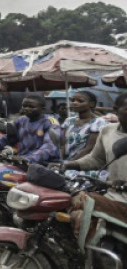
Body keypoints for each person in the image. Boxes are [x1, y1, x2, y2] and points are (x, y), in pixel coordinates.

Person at [64, 93, 127, 244]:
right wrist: (71, 164)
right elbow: (97, 159)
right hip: (113, 197)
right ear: (116, 110)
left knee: (86, 201)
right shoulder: (107, 131)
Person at [0, 94, 60, 165]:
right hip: (23, 162)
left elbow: (49, 147)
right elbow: (6, 139)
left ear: (43, 109)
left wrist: (29, 159)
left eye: (31, 107)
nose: (26, 109)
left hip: (45, 165)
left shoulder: (50, 122)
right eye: (24, 106)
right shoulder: (21, 121)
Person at [61, 91, 108, 179]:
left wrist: (71, 164)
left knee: (68, 176)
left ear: (91, 104)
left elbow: (89, 149)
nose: (74, 103)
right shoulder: (69, 121)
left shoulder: (98, 122)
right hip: (67, 161)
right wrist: (61, 161)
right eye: (73, 100)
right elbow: (62, 145)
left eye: (80, 101)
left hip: (85, 163)